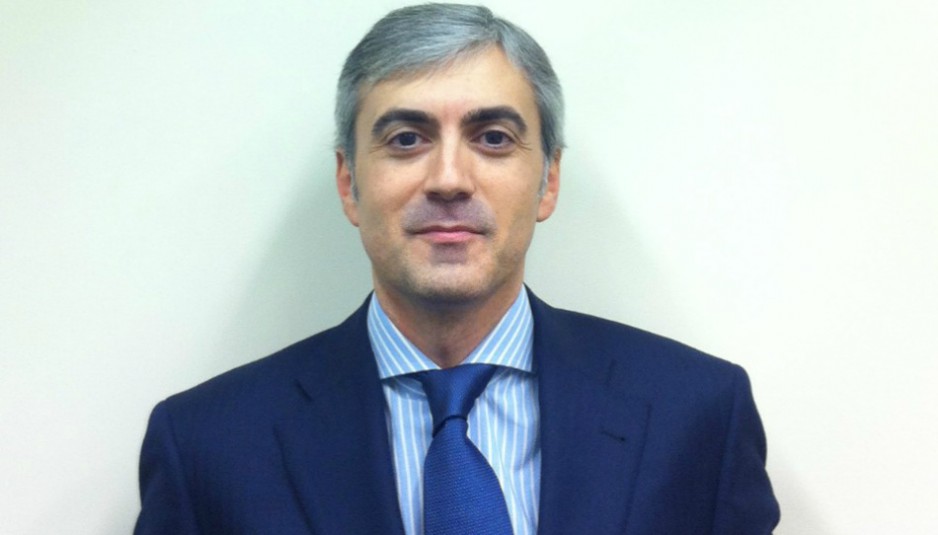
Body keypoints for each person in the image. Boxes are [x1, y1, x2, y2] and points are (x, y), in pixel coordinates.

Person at [134, 4, 780, 534]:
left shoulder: (698, 415)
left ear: (549, 180)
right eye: (406, 139)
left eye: (493, 138)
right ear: (349, 183)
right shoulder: (207, 446)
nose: (449, 179)